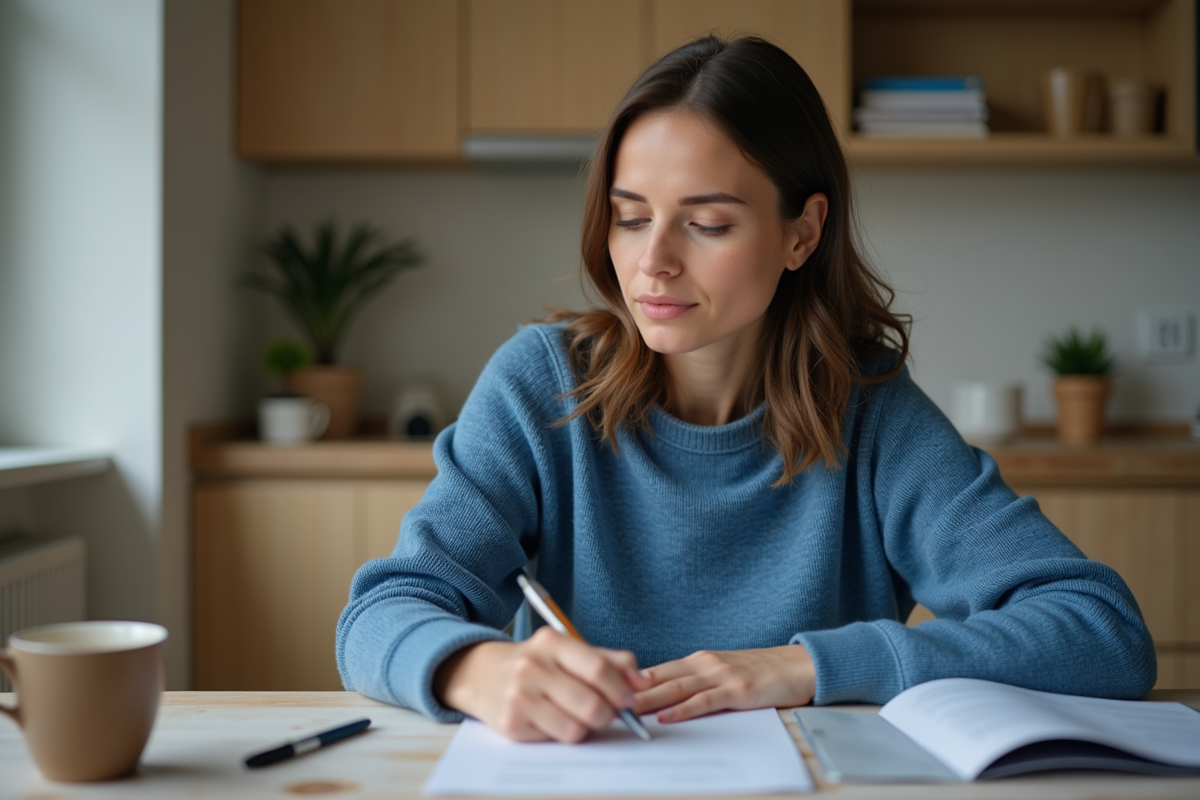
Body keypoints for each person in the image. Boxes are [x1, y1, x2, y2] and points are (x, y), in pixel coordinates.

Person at [336, 36, 1155, 743]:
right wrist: (476, 671)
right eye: (629, 216)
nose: (652, 261)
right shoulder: (541, 384)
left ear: (801, 232)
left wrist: (808, 666)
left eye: (708, 223)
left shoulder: (870, 414)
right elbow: (381, 613)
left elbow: (1101, 630)